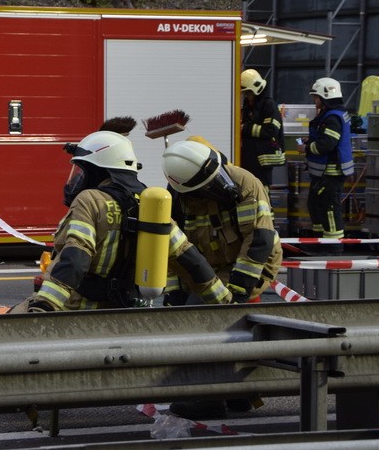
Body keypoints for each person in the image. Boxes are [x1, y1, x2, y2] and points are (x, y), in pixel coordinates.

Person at [21, 130, 232, 313]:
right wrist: (226, 302)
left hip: (76, 309)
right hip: (124, 310)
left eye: (82, 171)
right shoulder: (151, 206)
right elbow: (190, 260)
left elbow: (76, 259)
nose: (76, 179)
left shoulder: (90, 201)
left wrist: (44, 307)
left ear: (98, 170)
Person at [161, 138, 283, 418]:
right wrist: (174, 291)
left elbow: (259, 240)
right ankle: (238, 396)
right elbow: (175, 248)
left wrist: (238, 291)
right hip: (207, 266)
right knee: (214, 321)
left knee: (204, 320)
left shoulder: (244, 183)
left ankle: (207, 400)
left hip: (249, 262)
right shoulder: (179, 195)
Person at [302, 77, 353, 240]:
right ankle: (317, 239)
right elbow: (325, 138)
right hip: (323, 173)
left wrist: (307, 147)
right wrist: (310, 141)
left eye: (316, 97)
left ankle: (332, 244)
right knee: (316, 204)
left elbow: (327, 145)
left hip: (331, 173)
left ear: (325, 97)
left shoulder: (332, 118)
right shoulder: (332, 114)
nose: (314, 100)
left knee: (329, 208)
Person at [239, 68, 285, 188]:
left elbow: (271, 130)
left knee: (261, 189)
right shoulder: (250, 106)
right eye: (245, 93)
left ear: (256, 90)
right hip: (251, 156)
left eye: (248, 92)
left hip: (262, 158)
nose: (247, 96)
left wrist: (245, 128)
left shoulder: (269, 105)